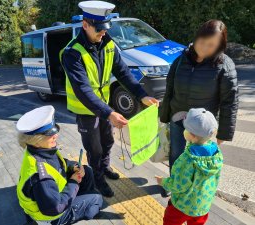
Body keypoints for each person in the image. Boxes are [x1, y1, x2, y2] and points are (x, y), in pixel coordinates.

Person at [61, 1, 159, 197]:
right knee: (94, 148)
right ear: (85, 25)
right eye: (98, 29)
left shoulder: (108, 44)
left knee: (107, 142)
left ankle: (104, 168)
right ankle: (98, 179)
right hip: (85, 110)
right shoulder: (72, 53)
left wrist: (142, 96)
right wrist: (110, 113)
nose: (103, 33)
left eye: (105, 28)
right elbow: (83, 90)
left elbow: (123, 73)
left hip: (104, 106)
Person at [160, 20, 238, 177]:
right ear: (196, 38)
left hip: (202, 127)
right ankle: (174, 185)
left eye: (212, 45)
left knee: (198, 161)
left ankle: (192, 194)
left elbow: (230, 102)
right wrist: (164, 115)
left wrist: (223, 133)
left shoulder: (225, 66)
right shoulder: (181, 60)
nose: (204, 48)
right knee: (176, 156)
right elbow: (169, 90)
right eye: (202, 42)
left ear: (220, 46)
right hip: (178, 121)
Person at [16, 105, 103, 225]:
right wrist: (73, 182)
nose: (55, 135)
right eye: (50, 134)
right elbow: (55, 208)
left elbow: (58, 163)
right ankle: (85, 208)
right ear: (35, 141)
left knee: (87, 171)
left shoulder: (40, 149)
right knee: (97, 198)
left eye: (54, 130)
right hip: (52, 216)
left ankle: (81, 198)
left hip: (51, 197)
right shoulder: (42, 179)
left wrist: (74, 166)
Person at [156, 108, 223, 225]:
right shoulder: (217, 154)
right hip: (203, 206)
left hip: (183, 206)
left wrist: (163, 182)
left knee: (170, 221)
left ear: (191, 136)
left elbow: (179, 185)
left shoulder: (188, 159)